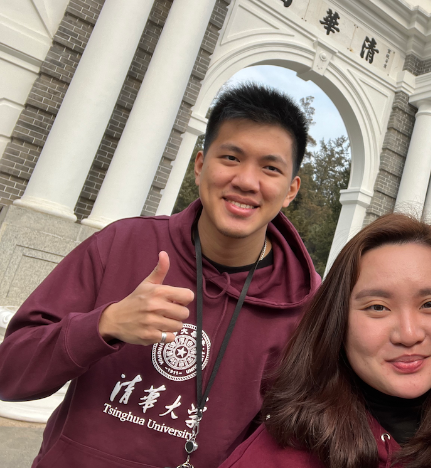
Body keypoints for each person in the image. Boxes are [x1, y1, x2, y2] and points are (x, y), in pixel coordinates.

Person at [0, 83, 321, 467]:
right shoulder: (122, 243)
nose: (247, 181)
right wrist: (104, 325)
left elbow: (284, 437)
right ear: (200, 165)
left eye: (270, 168)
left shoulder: (306, 306)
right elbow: (9, 373)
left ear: (290, 190)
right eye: (231, 157)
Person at [219, 213, 431, 468]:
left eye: (430, 303)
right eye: (377, 307)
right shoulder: (274, 457)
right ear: (338, 321)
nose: (408, 335)